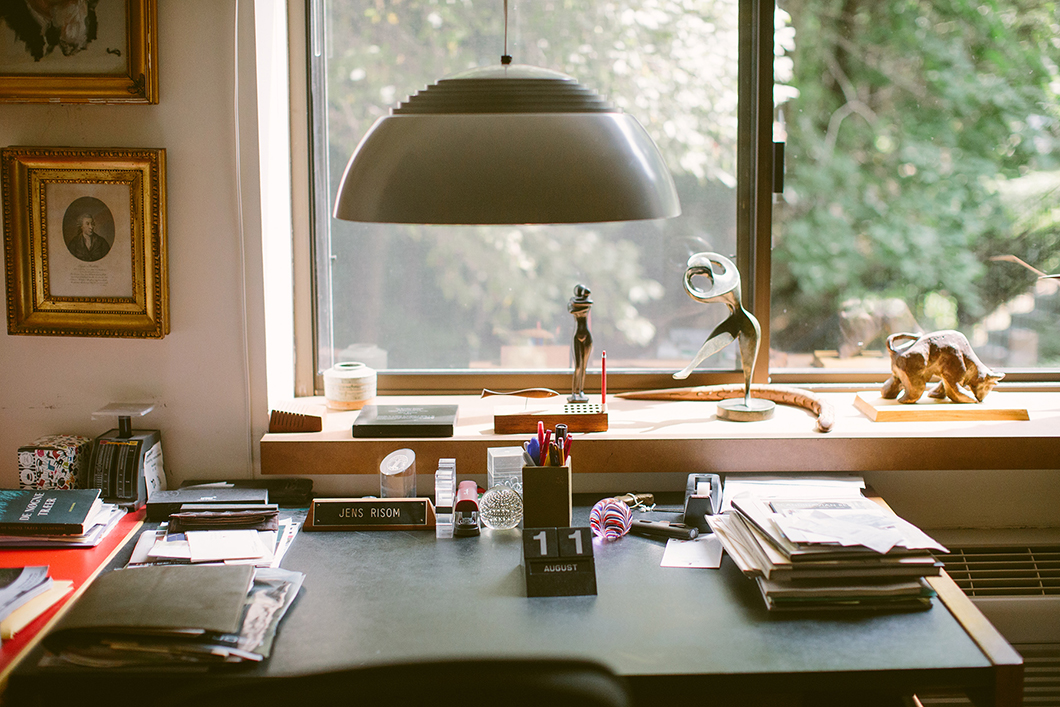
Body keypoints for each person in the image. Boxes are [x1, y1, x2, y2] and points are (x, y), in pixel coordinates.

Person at [567, 284, 593, 403]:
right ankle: (573, 392)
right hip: (577, 335)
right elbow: (572, 310)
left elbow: (586, 305)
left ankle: (581, 391)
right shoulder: (574, 304)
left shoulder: (584, 303)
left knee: (584, 367)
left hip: (586, 335)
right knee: (577, 366)